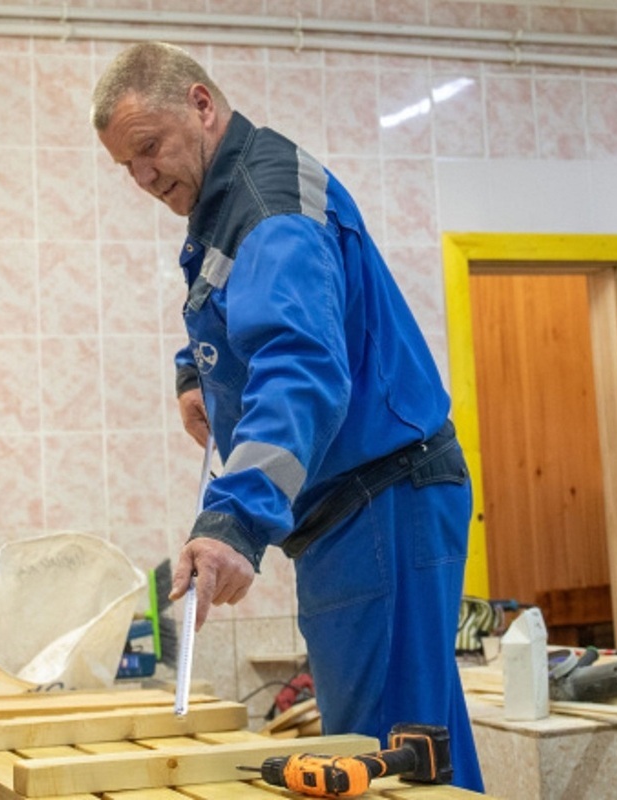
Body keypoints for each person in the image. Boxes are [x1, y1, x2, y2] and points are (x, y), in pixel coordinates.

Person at [91, 43, 484, 791]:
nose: (143, 177)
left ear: (202, 105)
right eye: (126, 166)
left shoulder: (269, 208)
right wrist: (195, 373)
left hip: (380, 500)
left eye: (149, 148)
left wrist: (233, 523)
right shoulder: (226, 202)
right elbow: (242, 314)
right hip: (357, 508)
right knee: (418, 744)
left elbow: (301, 368)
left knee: (384, 756)